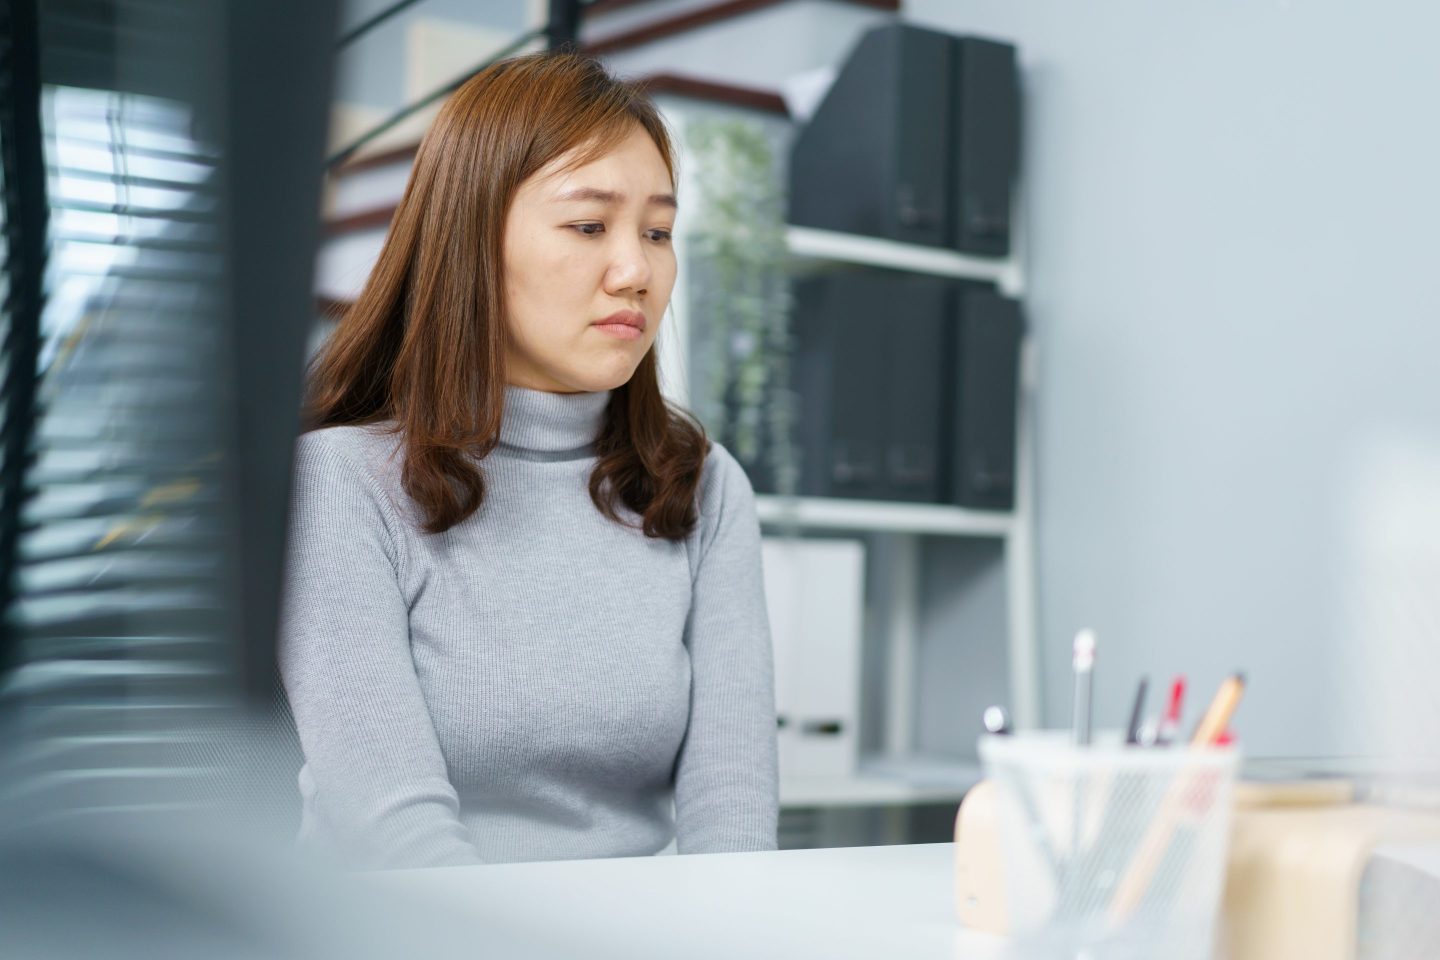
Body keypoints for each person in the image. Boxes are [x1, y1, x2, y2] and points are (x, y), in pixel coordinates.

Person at [279, 52, 778, 868]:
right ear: (472, 239)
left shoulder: (703, 487)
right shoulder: (340, 483)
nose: (637, 271)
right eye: (589, 226)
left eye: (658, 232)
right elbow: (398, 838)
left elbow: (735, 818)